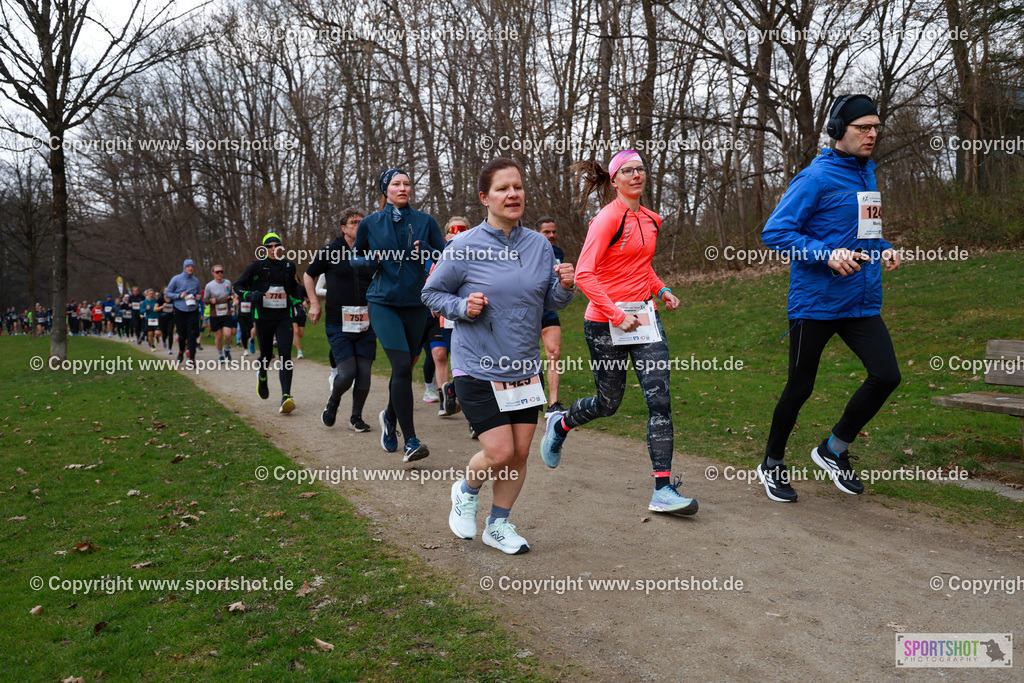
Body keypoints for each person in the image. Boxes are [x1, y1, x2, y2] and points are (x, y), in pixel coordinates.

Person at [425, 157, 575, 554]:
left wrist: (565, 286)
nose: (513, 194)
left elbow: (549, 301)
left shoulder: (539, 245)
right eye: (503, 188)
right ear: (484, 198)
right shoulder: (463, 246)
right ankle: (465, 489)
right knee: (500, 451)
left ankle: (499, 525)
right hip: (477, 365)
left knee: (522, 452)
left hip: (524, 367)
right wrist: (461, 306)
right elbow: (431, 294)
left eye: (518, 187)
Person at [757, 94, 902, 502]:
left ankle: (833, 450)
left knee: (887, 376)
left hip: (860, 302)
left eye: (876, 127)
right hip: (815, 304)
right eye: (863, 127)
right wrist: (826, 254)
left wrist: (885, 246)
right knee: (800, 388)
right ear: (839, 131)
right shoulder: (815, 178)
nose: (872, 134)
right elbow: (776, 232)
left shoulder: (866, 175)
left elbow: (867, 232)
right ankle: (771, 463)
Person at [540, 150, 696, 516]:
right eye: (628, 170)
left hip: (643, 319)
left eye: (640, 168)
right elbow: (584, 275)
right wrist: (614, 314)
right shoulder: (606, 219)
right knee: (608, 404)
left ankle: (662, 488)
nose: (636, 175)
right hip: (604, 322)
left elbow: (641, 267)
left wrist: (662, 290)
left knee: (660, 400)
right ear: (614, 180)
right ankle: (560, 425)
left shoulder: (651, 218)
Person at [351, 168, 445, 462]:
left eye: (406, 184)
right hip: (383, 303)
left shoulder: (424, 221)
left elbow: (446, 257)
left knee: (404, 369)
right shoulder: (370, 223)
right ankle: (412, 440)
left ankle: (390, 418)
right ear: (386, 190)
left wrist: (429, 250)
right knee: (402, 365)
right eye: (396, 184)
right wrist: (370, 260)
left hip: (416, 304)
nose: (403, 188)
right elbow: (354, 258)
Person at [304, 207, 375, 432]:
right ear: (343, 228)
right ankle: (334, 400)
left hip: (367, 322)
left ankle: (356, 418)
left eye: (362, 222)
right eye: (354, 222)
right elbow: (308, 275)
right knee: (347, 373)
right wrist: (314, 303)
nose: (359, 225)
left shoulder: (372, 250)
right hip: (338, 323)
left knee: (364, 373)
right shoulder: (331, 251)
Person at [234, 233, 303, 413]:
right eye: (269, 246)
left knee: (285, 354)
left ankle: (286, 396)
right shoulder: (256, 266)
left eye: (276, 245)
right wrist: (250, 295)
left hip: (284, 316)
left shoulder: (289, 265)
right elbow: (238, 286)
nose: (273, 249)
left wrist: (299, 305)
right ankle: (262, 374)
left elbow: (292, 290)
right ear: (264, 249)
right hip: (263, 317)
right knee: (266, 355)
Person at [424, 216, 470, 415]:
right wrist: (435, 303)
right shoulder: (440, 258)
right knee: (447, 358)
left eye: (463, 229)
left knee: (468, 365)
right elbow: (430, 288)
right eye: (453, 230)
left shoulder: (478, 254)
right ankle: (447, 400)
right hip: (448, 320)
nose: (458, 233)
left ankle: (454, 395)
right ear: (446, 235)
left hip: (474, 318)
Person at [535, 217, 567, 413]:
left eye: (553, 231)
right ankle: (530, 397)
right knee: (526, 357)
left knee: (554, 353)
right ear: (537, 233)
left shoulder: (558, 253)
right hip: (528, 310)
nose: (552, 235)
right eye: (547, 232)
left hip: (549, 310)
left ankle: (553, 404)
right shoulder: (526, 250)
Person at [166, 259, 202, 365]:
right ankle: (181, 351)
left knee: (192, 335)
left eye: (192, 267)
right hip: (180, 310)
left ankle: (191, 359)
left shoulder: (196, 281)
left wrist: (199, 296)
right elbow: (168, 293)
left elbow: (199, 293)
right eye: (188, 267)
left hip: (193, 310)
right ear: (184, 268)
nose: (190, 268)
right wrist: (179, 296)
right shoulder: (176, 279)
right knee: (182, 335)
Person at [204, 265, 235, 362]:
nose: (220, 273)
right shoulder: (209, 286)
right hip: (215, 314)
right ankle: (220, 354)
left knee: (228, 334)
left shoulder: (228, 283)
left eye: (221, 271)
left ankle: (226, 349)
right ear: (213, 273)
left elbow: (230, 295)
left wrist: (231, 298)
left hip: (226, 313)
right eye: (217, 272)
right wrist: (210, 301)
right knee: (219, 336)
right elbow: (205, 299)